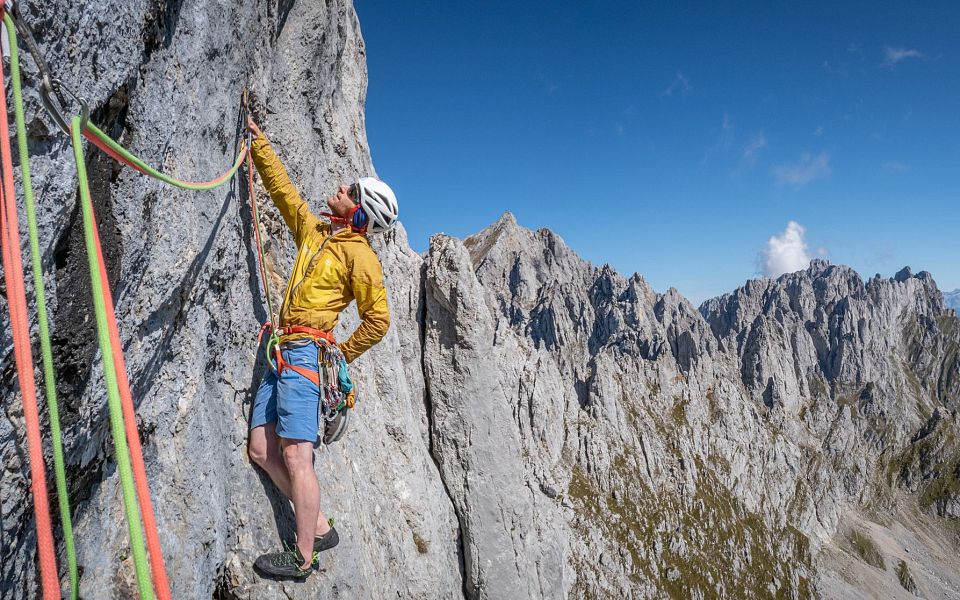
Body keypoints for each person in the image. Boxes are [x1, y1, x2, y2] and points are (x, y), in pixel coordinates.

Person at [244, 115, 396, 579]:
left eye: (350, 189)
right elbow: (284, 193)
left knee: (295, 455)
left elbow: (379, 320)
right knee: (259, 449)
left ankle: (302, 558)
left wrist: (339, 353)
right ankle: (322, 525)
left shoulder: (360, 256)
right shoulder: (316, 233)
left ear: (359, 212)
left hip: (307, 356)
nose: (341, 187)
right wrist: (259, 143)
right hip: (281, 350)